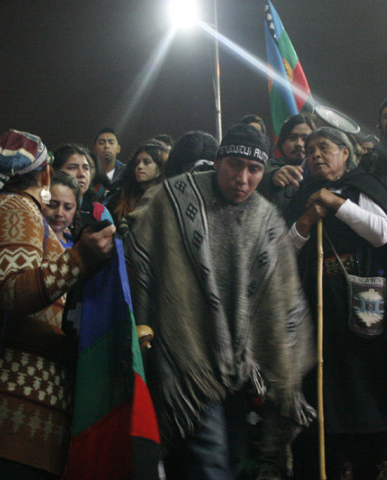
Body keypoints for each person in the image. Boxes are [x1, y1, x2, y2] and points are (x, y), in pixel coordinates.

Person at [125, 124, 315, 479]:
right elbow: (138, 259)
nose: (243, 178)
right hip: (186, 359)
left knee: (228, 460)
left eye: (254, 169)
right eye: (234, 165)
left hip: (240, 372)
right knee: (210, 462)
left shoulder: (265, 218)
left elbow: (282, 297)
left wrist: (278, 362)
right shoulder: (174, 198)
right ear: (218, 161)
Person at [0, 129, 116, 478]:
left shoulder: (11, 208)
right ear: (45, 175)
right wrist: (81, 258)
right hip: (10, 401)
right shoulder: (17, 207)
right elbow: (14, 293)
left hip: (8, 402)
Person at [286, 127, 387, 480]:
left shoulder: (363, 186)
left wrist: (336, 203)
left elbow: (382, 233)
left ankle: (374, 463)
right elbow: (282, 254)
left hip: (366, 307)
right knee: (324, 389)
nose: (315, 154)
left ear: (345, 152)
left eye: (324, 147)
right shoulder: (301, 195)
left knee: (366, 387)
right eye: (309, 149)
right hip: (318, 312)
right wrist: (305, 221)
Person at [258, 113, 315, 212]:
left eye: (305, 139)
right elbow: (258, 175)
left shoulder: (320, 172)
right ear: (281, 143)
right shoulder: (268, 168)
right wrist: (273, 176)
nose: (299, 144)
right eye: (292, 138)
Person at [106, 140, 167, 225]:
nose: (139, 166)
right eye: (137, 163)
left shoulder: (166, 197)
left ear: (160, 169)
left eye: (146, 162)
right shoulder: (121, 196)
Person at [42, 172, 80, 248]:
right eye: (52, 205)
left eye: (68, 208)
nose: (59, 213)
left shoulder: (76, 245)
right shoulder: (33, 241)